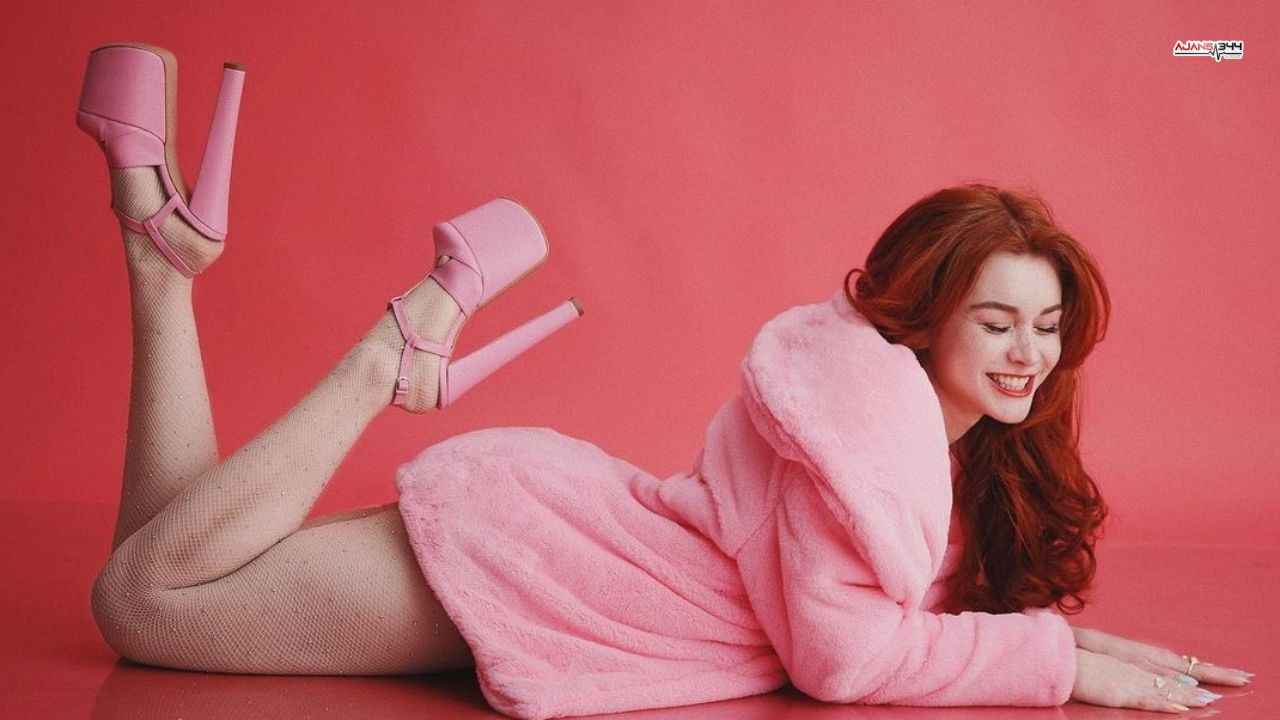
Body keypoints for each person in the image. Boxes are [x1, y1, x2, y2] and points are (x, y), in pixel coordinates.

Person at [77, 43, 1253, 720]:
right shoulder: (865, 428)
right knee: (145, 605)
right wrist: (1053, 665)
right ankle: (392, 353)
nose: (1026, 352)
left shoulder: (930, 446)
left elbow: (891, 617)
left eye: (1044, 325)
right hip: (550, 579)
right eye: (995, 322)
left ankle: (158, 261)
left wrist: (1055, 640)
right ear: (924, 320)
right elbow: (840, 662)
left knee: (161, 546)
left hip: (565, 548)